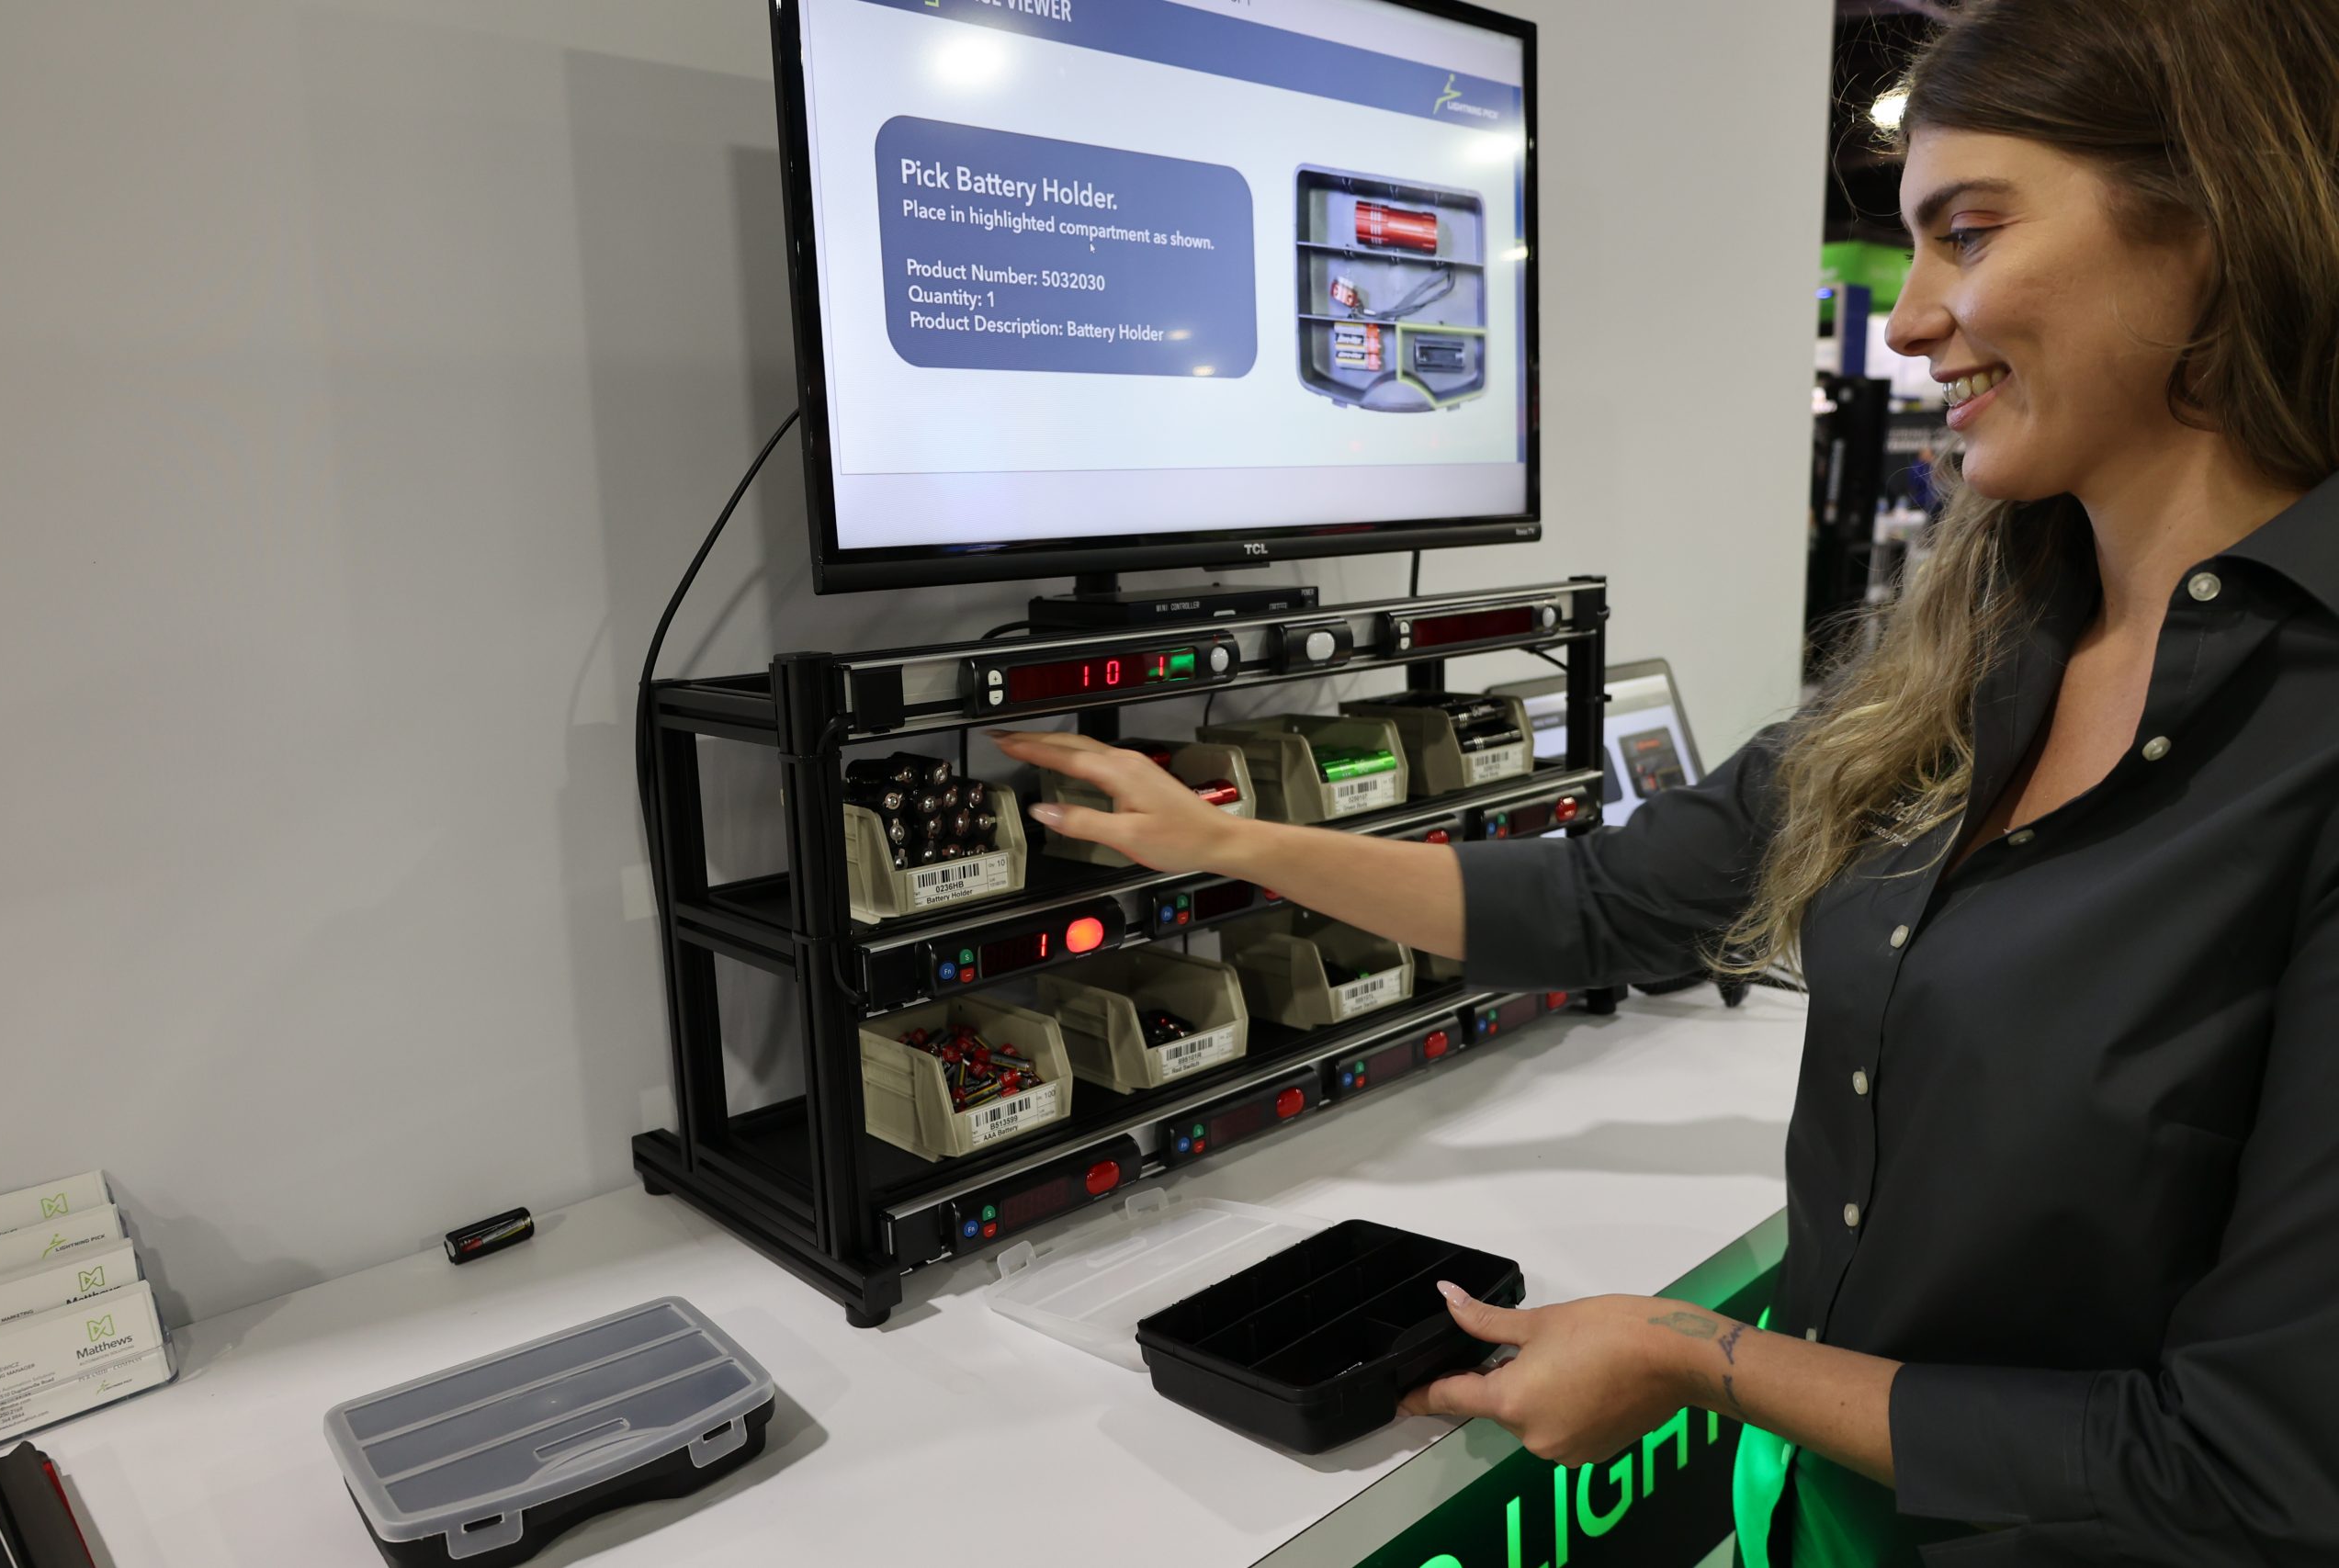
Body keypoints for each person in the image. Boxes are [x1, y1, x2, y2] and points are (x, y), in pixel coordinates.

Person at [996, 0, 2339, 1561]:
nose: (1906, 322)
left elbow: (2260, 1467)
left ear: (2219, 223)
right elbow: (1604, 906)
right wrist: (1218, 841)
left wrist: (1698, 1356)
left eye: (1967, 235)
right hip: (1842, 1521)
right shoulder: (1965, 658)